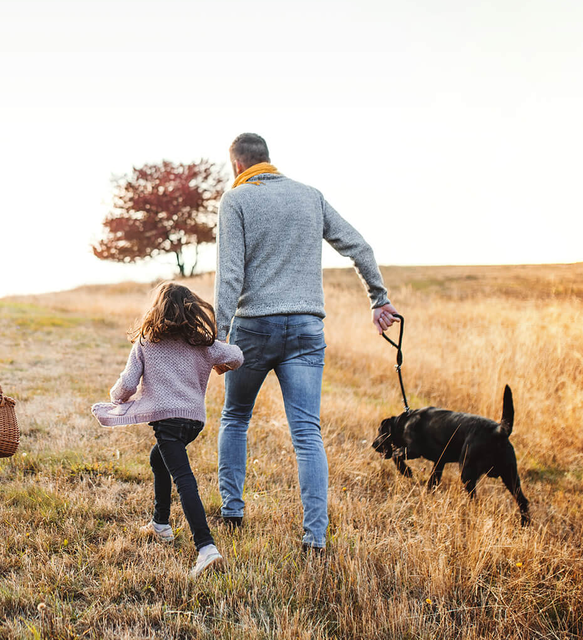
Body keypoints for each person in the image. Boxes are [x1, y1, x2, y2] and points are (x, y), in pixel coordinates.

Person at [214, 132, 400, 552]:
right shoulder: (310, 197)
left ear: (237, 166)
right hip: (305, 329)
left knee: (236, 418)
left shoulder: (236, 200)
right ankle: (315, 537)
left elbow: (228, 276)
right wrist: (378, 299)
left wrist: (215, 337)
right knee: (307, 433)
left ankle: (232, 511)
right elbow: (359, 246)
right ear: (268, 160)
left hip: (254, 329)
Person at [92, 282, 243, 578]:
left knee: (184, 479)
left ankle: (206, 548)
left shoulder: (147, 343)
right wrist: (219, 366)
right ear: (191, 309)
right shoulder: (202, 343)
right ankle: (161, 525)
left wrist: (115, 398)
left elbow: (127, 385)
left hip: (167, 421)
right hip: (193, 422)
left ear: (156, 310)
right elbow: (236, 355)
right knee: (157, 459)